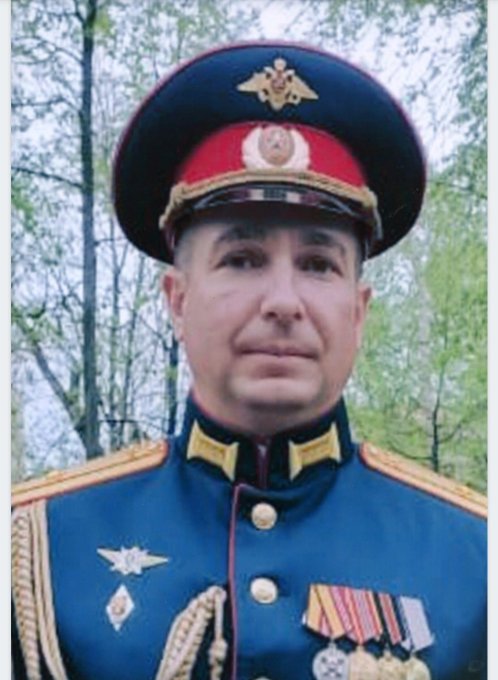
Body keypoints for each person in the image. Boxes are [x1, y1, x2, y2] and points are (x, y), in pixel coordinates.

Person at [12, 42, 486, 680]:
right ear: (177, 301)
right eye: (242, 259)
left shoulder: (472, 558)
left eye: (318, 264)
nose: (283, 301)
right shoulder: (42, 550)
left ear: (358, 311)